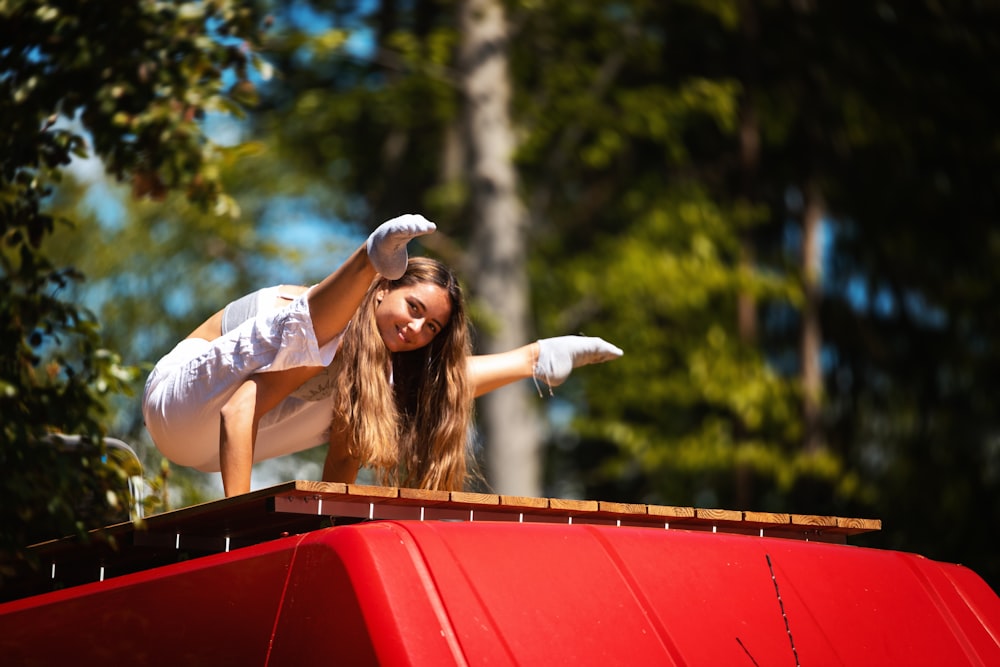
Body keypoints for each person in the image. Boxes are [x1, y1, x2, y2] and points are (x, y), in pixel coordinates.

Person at [142, 214, 623, 497]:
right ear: (383, 291)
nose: (416, 328)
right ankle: (367, 257)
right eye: (413, 308)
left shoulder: (368, 373)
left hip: (210, 449)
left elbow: (343, 462)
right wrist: (239, 519)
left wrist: (325, 530)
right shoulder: (326, 332)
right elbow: (238, 406)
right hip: (178, 402)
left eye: (431, 326)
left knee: (394, 386)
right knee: (332, 337)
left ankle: (533, 359)